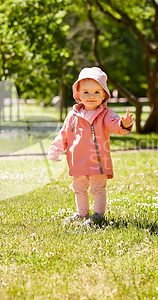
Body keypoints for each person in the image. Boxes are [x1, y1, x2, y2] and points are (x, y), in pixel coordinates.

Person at [48, 67, 135, 225]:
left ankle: (98, 216)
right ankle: (82, 214)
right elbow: (64, 134)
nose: (91, 96)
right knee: (79, 188)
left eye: (96, 92)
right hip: (77, 161)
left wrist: (123, 124)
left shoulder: (106, 114)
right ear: (79, 94)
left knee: (97, 188)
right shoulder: (73, 115)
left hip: (97, 162)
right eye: (86, 92)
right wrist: (56, 148)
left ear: (103, 95)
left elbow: (115, 125)